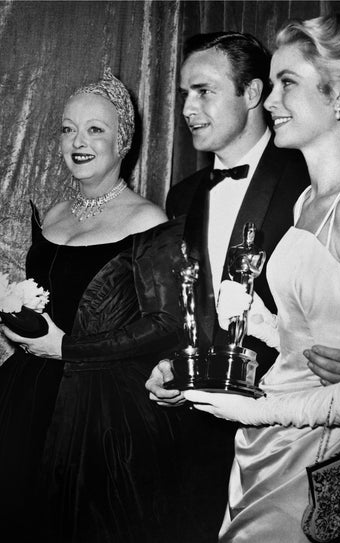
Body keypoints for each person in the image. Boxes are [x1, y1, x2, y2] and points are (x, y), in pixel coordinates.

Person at [184, 14, 340, 542]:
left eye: (287, 83)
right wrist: (250, 320)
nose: (267, 101)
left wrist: (261, 410)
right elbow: (310, 328)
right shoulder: (311, 200)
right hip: (271, 452)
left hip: (324, 462)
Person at [146, 31, 340, 542]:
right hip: (197, 441)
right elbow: (183, 310)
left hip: (296, 439)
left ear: (252, 94)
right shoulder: (181, 196)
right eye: (182, 94)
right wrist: (166, 367)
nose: (187, 108)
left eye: (203, 91)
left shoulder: (312, 179)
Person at [0, 68, 186, 543]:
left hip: (97, 407)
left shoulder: (148, 219)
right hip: (26, 390)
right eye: (67, 128)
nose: (77, 141)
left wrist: (70, 348)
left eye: (95, 129)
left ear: (123, 140)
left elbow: (164, 327)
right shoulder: (56, 211)